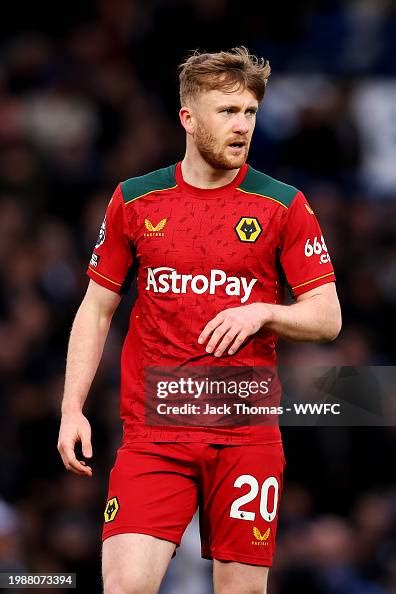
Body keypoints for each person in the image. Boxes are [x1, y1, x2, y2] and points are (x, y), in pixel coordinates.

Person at [57, 47, 341, 594]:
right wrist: (72, 407)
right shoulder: (135, 200)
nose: (242, 127)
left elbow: (327, 317)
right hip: (154, 433)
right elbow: (96, 309)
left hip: (246, 434)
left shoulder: (283, 206)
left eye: (250, 113)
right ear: (188, 117)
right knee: (126, 587)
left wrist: (264, 311)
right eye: (227, 111)